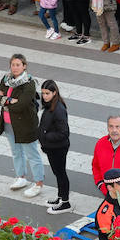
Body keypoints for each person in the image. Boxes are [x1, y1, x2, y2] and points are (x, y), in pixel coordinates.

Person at [0, 54, 45, 198]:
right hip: (9, 124)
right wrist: (11, 100)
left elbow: (22, 104)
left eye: (18, 65)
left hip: (26, 125)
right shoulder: (6, 79)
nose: (15, 67)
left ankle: (38, 183)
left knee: (32, 154)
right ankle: (21, 177)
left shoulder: (29, 83)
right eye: (13, 64)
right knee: (16, 152)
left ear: (24, 66)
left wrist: (4, 99)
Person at [38, 81, 73, 215]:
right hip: (52, 147)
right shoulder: (50, 105)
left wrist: (46, 136)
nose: (44, 96)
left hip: (58, 148)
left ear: (54, 93)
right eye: (43, 93)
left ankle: (65, 202)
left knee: (61, 173)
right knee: (58, 173)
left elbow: (64, 133)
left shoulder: (58, 109)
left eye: (47, 93)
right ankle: (60, 197)